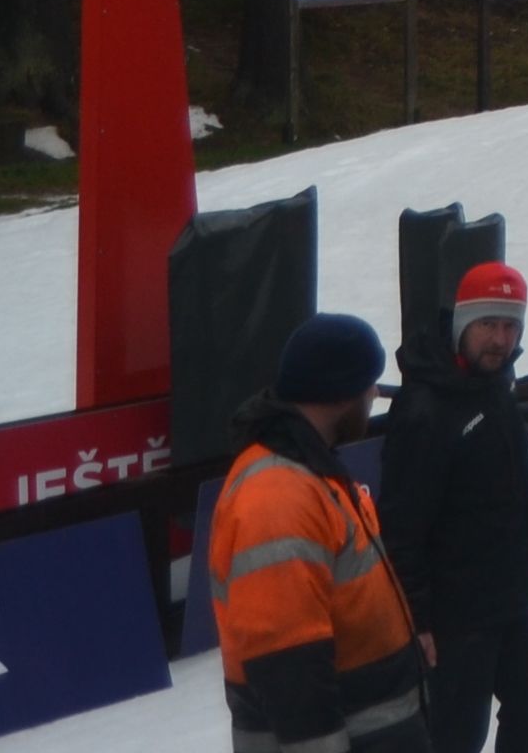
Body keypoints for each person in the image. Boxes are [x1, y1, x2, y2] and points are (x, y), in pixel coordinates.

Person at [210, 314, 427, 753]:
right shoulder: (278, 494)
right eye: (369, 384)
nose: (375, 394)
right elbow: (287, 661)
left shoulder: (307, 468)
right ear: (342, 394)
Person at [381, 262, 528, 753]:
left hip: (511, 602)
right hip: (454, 615)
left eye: (510, 326)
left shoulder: (494, 382)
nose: (500, 340)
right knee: (457, 736)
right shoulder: (426, 408)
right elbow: (401, 526)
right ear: (463, 323)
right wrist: (417, 621)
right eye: (488, 324)